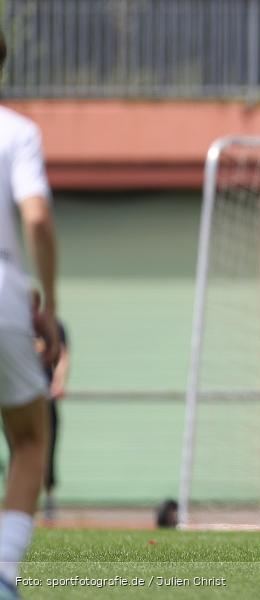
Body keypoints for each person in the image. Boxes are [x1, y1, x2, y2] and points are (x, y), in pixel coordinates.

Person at [0, 28, 60, 598]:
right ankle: (2, 572)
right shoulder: (16, 131)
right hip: (3, 293)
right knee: (28, 438)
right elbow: (37, 219)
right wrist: (49, 304)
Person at [30, 291, 69, 521]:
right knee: (21, 450)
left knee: (48, 447)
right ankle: (24, 503)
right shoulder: (15, 326)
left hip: (45, 399)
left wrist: (58, 383)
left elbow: (63, 355)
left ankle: (49, 498)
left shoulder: (53, 327)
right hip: (21, 399)